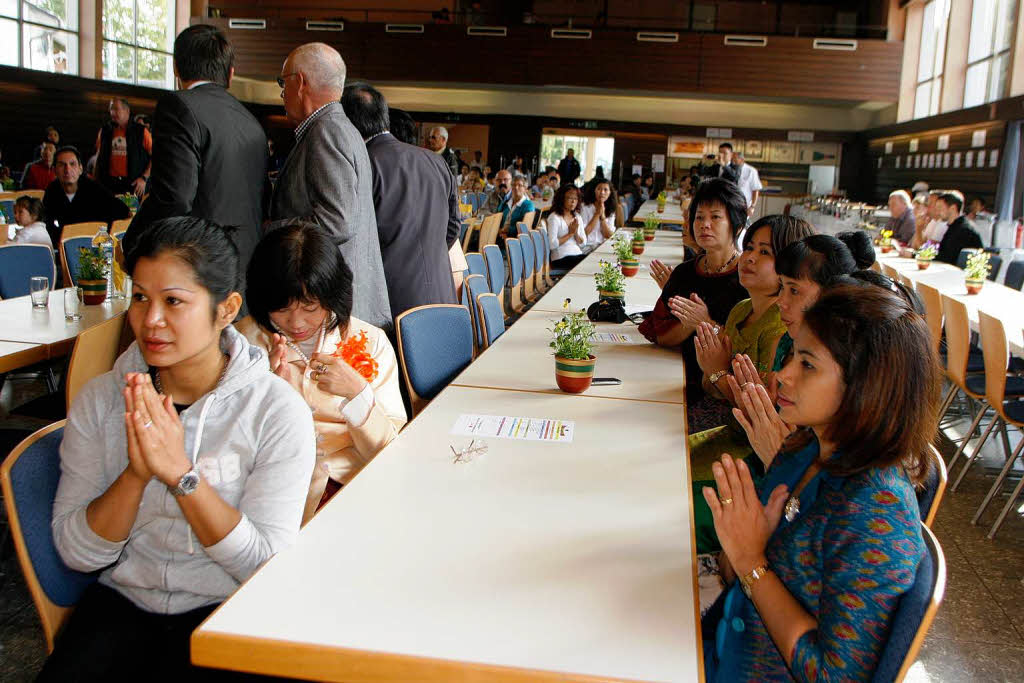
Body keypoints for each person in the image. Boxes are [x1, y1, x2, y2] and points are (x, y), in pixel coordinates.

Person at [40, 217, 315, 680]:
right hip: (123, 603)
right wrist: (136, 474)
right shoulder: (103, 399)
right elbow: (77, 553)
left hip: (228, 610)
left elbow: (266, 565)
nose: (151, 320)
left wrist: (182, 476)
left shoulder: (275, 410)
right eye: (141, 298)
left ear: (226, 309)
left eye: (173, 301)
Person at [701, 285, 936, 681]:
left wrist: (752, 563)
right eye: (792, 354)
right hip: (721, 644)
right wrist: (739, 547)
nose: (782, 375)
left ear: (868, 386)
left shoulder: (877, 510)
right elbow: (733, 567)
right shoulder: (805, 447)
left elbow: (834, 675)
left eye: (807, 365)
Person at [238, 222, 406, 522]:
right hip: (274, 498)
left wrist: (358, 394)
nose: (297, 322)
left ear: (332, 296)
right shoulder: (242, 346)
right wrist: (274, 403)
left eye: (310, 307)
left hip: (356, 490)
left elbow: (391, 453)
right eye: (282, 309)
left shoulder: (370, 343)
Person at [125, 24, 268, 293]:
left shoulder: (178, 106)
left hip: (198, 271)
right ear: (231, 74)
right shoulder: (252, 123)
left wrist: (132, 242)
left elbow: (174, 197)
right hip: (247, 273)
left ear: (176, 68)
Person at [271, 42, 391, 331]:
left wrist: (273, 227)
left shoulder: (326, 131)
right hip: (346, 301)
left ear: (300, 83)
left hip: (335, 307)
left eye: (282, 82)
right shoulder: (341, 129)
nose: (281, 92)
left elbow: (337, 222)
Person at [340, 83, 460, 319]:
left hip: (390, 297)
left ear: (348, 124)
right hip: (442, 291)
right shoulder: (434, 160)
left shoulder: (363, 164)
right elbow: (454, 226)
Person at [688, 216, 814, 432]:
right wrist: (715, 374)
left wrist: (718, 372)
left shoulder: (782, 327)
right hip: (719, 415)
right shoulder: (741, 309)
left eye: (765, 252)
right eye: (749, 248)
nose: (749, 258)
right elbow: (709, 384)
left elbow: (763, 413)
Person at [638, 178, 748, 404]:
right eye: (699, 217)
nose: (704, 224)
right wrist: (687, 326)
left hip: (720, 394)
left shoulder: (748, 279)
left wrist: (705, 323)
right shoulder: (684, 273)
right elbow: (661, 336)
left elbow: (749, 349)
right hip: (671, 379)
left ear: (736, 225)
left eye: (715, 217)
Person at [43, 146, 131, 248]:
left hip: (96, 249)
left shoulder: (95, 189)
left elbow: (124, 212)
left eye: (72, 164)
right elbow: (47, 223)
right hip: (65, 249)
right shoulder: (52, 191)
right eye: (62, 165)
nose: (67, 169)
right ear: (54, 170)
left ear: (80, 169)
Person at [93, 97, 153, 197]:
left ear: (127, 111)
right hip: (109, 185)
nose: (112, 112)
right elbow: (98, 156)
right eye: (111, 109)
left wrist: (144, 178)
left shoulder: (141, 131)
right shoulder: (105, 130)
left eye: (116, 109)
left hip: (134, 186)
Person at [934, 191, 983, 265]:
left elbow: (946, 259)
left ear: (953, 208)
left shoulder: (963, 230)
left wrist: (917, 255)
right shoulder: (954, 227)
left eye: (940, 208)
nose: (937, 212)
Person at [544, 184, 586, 270]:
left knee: (591, 260)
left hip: (577, 255)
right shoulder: (554, 217)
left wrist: (575, 234)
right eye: (570, 198)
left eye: (576, 198)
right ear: (561, 199)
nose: (573, 201)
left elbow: (583, 244)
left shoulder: (577, 217)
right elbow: (551, 244)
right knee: (587, 262)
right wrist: (570, 234)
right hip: (560, 258)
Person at [498, 175, 536, 244]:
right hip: (500, 236)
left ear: (525, 189)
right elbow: (497, 216)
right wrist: (498, 230)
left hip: (515, 241)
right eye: (513, 185)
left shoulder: (528, 205)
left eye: (520, 185)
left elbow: (524, 228)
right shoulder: (506, 202)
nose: (516, 187)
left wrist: (506, 231)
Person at [579, 179, 617, 246]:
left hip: (602, 245)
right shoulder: (584, 207)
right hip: (587, 246)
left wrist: (602, 216)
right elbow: (584, 233)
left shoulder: (610, 209)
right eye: (599, 189)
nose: (602, 192)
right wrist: (597, 214)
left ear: (610, 193)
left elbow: (609, 235)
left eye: (605, 190)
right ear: (594, 191)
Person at [733, 151, 762, 218]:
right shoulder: (729, 169)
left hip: (744, 206)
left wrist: (752, 206)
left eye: (735, 159)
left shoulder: (751, 171)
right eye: (732, 159)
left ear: (742, 160)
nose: (733, 161)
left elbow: (756, 189)